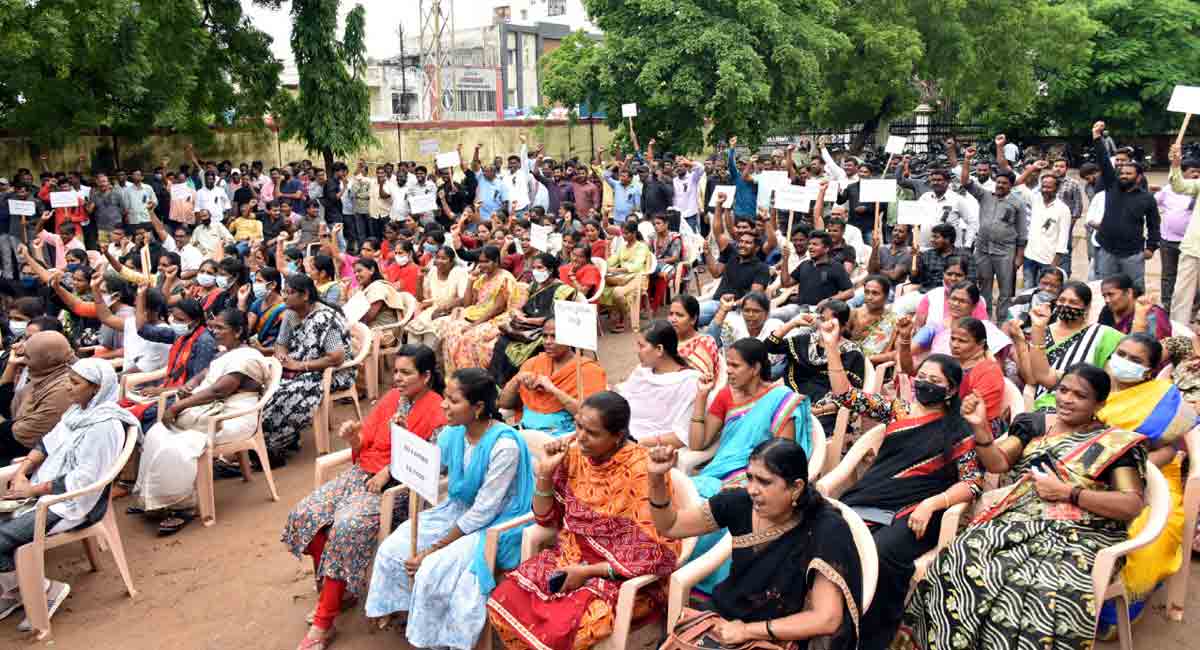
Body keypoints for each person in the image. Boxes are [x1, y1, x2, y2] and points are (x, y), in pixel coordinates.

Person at [895, 364, 1147, 650]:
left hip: (1083, 533)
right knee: (959, 559)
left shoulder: (1113, 444)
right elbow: (998, 463)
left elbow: (1131, 504)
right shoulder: (1037, 424)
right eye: (1063, 390)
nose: (1066, 399)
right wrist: (980, 428)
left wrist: (1069, 492)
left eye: (1080, 395)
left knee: (1038, 590)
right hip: (1019, 518)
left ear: (1099, 403)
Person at [821, 319, 982, 650]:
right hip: (871, 497)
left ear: (951, 390)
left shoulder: (959, 430)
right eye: (921, 378)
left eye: (934, 381)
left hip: (916, 511)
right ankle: (826, 618)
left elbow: (972, 484)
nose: (924, 384)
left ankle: (870, 637)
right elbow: (845, 395)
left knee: (880, 553)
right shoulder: (898, 410)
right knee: (829, 535)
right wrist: (831, 347)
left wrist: (932, 504)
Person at [487, 391, 683, 649]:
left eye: (592, 432)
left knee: (571, 628)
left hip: (618, 577)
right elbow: (545, 518)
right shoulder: (574, 454)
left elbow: (655, 553)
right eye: (578, 426)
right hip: (568, 555)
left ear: (618, 436)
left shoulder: (642, 470)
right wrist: (545, 472)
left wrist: (586, 572)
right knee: (503, 600)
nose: (580, 436)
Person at [283, 345, 447, 650]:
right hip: (362, 474)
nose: (397, 378)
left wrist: (388, 471)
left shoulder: (438, 411)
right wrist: (352, 437)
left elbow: (428, 464)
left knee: (345, 527)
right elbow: (367, 440)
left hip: (397, 490)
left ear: (425, 376)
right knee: (305, 514)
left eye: (406, 372)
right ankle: (339, 592)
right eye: (395, 371)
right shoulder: (391, 399)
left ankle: (324, 621)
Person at [364, 368, 533, 650]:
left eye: (453, 401)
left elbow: (483, 512)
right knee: (395, 548)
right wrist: (406, 442)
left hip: (495, 523)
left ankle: (439, 638)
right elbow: (429, 463)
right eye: (445, 397)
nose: (443, 405)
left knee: (431, 568)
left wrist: (432, 549)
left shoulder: (504, 446)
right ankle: (413, 615)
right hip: (458, 509)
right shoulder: (453, 432)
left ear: (477, 407)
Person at [645, 438, 863, 649]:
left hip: (780, 637)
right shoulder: (739, 503)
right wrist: (656, 478)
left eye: (765, 482)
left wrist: (748, 631)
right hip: (725, 620)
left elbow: (827, 619)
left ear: (796, 487)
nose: (752, 489)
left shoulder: (825, 529)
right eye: (750, 478)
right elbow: (671, 526)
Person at [0, 358, 138, 629]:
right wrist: (22, 472)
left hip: (74, 504)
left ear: (96, 388)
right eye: (68, 380)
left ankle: (45, 590)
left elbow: (82, 481)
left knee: (1, 536)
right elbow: (46, 443)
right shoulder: (77, 412)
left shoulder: (104, 425)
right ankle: (17, 590)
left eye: (74, 383)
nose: (67, 387)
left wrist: (31, 489)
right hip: (46, 495)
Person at [686, 338, 811, 594]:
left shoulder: (781, 399)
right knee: (687, 498)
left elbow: (782, 459)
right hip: (716, 474)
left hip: (759, 478)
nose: (728, 371)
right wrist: (701, 395)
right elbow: (698, 443)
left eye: (735, 365)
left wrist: (747, 479)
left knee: (724, 505)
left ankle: (704, 580)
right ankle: (680, 570)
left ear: (755, 368)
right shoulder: (725, 396)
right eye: (728, 365)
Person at [131, 309, 270, 535]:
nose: (214, 332)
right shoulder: (226, 353)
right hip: (211, 413)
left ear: (238, 332)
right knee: (157, 433)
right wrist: (191, 384)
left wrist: (177, 406)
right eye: (212, 327)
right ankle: (154, 499)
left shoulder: (248, 357)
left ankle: (181, 507)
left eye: (220, 328)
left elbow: (219, 390)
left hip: (231, 418)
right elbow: (206, 373)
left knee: (177, 444)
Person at [262, 274, 354, 466]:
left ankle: (275, 445)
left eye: (290, 293)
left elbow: (336, 357)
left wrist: (300, 366)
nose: (285, 297)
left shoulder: (324, 317)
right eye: (284, 292)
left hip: (332, 372)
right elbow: (281, 344)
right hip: (301, 367)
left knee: (286, 392)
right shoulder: (290, 314)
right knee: (266, 387)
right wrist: (282, 358)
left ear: (305, 296)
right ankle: (280, 440)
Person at [1015, 281, 1122, 411]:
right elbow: (1032, 379)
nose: (1066, 305)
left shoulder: (1104, 335)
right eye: (1062, 300)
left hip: (1084, 406)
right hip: (1043, 402)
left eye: (1073, 302)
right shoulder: (1043, 331)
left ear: (1087, 307)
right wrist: (1020, 341)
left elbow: (1112, 383)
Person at [767, 299, 865, 432]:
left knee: (804, 427)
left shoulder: (852, 353)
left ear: (842, 326)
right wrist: (792, 323)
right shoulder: (807, 340)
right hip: (794, 398)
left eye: (830, 321)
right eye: (822, 319)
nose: (824, 325)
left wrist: (818, 410)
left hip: (825, 409)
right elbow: (769, 346)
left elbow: (851, 396)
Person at [497, 318, 607, 437]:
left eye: (554, 336)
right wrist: (517, 380)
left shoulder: (589, 371)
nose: (548, 342)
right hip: (524, 434)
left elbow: (590, 417)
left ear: (569, 339)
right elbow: (504, 403)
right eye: (545, 336)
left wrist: (553, 390)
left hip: (563, 438)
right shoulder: (532, 364)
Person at [901, 315, 1008, 435]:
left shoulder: (989, 372)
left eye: (962, 341)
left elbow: (974, 415)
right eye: (953, 339)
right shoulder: (950, 362)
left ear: (981, 344)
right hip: (940, 418)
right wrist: (905, 340)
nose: (955, 345)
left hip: (976, 431)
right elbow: (909, 370)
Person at [1090, 120, 1160, 290]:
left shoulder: (1147, 198)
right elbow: (1104, 161)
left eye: (1129, 174)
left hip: (1133, 253)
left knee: (1134, 290)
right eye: (1121, 173)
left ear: (1138, 177)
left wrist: (1151, 247)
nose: (1123, 176)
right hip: (1107, 249)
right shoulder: (1112, 186)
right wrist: (1097, 137)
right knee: (1105, 289)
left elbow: (1154, 224)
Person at [489, 253, 577, 386]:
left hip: (547, 329)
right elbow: (521, 304)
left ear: (550, 270)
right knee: (502, 341)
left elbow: (555, 317)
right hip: (526, 327)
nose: (536, 271)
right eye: (534, 268)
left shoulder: (563, 290)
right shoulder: (534, 285)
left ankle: (522, 384)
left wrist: (528, 321)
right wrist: (517, 313)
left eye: (540, 268)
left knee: (527, 348)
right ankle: (499, 383)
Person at [961, 143, 1026, 320]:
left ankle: (1003, 321)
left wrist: (1019, 256)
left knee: (1005, 290)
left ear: (1011, 186)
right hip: (982, 250)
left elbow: (1022, 233)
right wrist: (967, 160)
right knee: (984, 287)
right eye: (998, 182)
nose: (999, 185)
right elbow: (965, 182)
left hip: (1005, 252)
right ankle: (985, 320)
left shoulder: (1017, 203)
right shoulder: (985, 196)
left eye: (1004, 183)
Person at [616, 320, 702, 447]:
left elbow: (683, 435)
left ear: (659, 349)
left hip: (641, 447)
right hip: (618, 434)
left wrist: (638, 442)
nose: (638, 351)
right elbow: (623, 400)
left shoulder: (690, 382)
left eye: (642, 346)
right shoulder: (642, 371)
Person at [435, 245, 518, 374]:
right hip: (475, 314)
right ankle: (452, 373)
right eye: (480, 261)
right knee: (449, 330)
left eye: (486, 261)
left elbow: (497, 309)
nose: (482, 265)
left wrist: (474, 324)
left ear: (496, 261)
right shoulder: (482, 278)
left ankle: (471, 374)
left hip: (494, 319)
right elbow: (469, 304)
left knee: (466, 337)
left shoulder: (505, 279)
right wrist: (471, 280)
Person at [0, 331, 75, 466]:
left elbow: (16, 438)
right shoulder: (46, 374)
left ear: (45, 358)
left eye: (27, 357)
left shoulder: (63, 390)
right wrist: (12, 366)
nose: (24, 360)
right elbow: (5, 407)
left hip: (28, 459)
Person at [707, 291, 785, 377]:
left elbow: (781, 365)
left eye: (756, 311)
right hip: (730, 375)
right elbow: (710, 342)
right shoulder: (732, 323)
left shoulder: (776, 327)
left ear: (766, 314)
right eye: (746, 310)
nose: (750, 315)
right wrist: (723, 310)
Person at [406, 246, 468, 349]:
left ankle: (427, 361)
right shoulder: (433, 271)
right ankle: (412, 361)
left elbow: (463, 298)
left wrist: (443, 309)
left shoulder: (459, 272)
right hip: (435, 309)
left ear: (452, 261)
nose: (439, 261)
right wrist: (420, 278)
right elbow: (420, 298)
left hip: (453, 312)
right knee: (413, 331)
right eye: (437, 257)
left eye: (444, 258)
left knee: (431, 333)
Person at [1166, 144, 1200, 323]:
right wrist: (1176, 165)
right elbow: (1178, 186)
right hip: (1193, 248)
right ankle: (1177, 336)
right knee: (1182, 296)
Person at [600, 220, 652, 333]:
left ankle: (625, 317)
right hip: (623, 278)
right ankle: (625, 314)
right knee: (604, 288)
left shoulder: (642, 247)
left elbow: (637, 266)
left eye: (627, 233)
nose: (623, 236)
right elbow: (611, 261)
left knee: (617, 292)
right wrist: (606, 249)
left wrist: (617, 269)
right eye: (622, 233)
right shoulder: (623, 247)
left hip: (637, 278)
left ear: (634, 233)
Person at [1098, 273, 1171, 340]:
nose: (1107, 300)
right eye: (1104, 296)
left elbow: (1155, 346)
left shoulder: (1152, 314)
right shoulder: (1107, 310)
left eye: (1111, 294)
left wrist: (1140, 317)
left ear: (1129, 292)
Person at [670, 295, 721, 382]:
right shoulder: (666, 339)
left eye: (679, 315)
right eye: (671, 314)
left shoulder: (705, 343)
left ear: (693, 319)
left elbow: (700, 380)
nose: (673, 319)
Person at [851, 275, 898, 366]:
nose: (869, 297)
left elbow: (896, 353)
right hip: (848, 364)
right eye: (866, 292)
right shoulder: (854, 314)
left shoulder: (893, 321)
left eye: (875, 293)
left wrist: (867, 359)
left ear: (886, 296)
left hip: (874, 369)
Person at [244, 266, 287, 350]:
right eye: (255, 281)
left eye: (259, 281)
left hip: (274, 352)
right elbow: (247, 329)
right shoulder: (257, 303)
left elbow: (285, 341)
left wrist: (263, 350)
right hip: (255, 348)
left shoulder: (284, 309)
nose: (255, 285)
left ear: (273, 284)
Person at [648, 212, 683, 311]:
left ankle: (654, 306)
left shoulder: (675, 238)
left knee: (662, 274)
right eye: (654, 224)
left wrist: (658, 261)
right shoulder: (652, 237)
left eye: (658, 223)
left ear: (666, 224)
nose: (656, 226)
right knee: (646, 273)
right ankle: (645, 304)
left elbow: (675, 258)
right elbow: (648, 253)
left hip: (672, 265)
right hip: (655, 265)